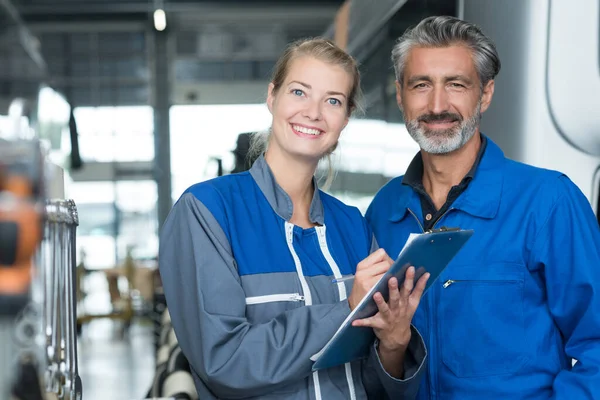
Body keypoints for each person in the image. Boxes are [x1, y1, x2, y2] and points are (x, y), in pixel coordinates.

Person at [159, 38, 430, 400]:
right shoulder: (207, 211)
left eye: (332, 100)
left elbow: (372, 379)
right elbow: (224, 362)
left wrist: (394, 343)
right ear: (273, 97)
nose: (314, 112)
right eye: (299, 92)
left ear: (345, 119)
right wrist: (347, 309)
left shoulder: (352, 224)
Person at [366, 15, 600, 399]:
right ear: (399, 94)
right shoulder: (384, 210)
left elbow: (596, 342)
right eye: (421, 85)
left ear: (486, 93)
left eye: (456, 85)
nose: (437, 104)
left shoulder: (548, 202)